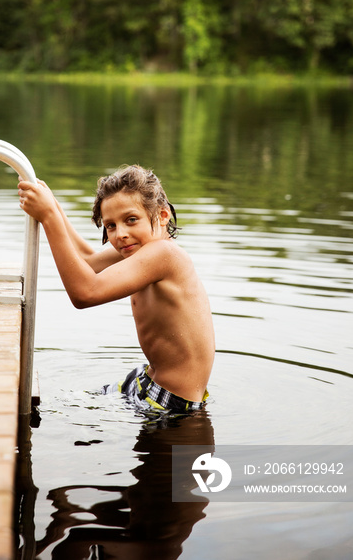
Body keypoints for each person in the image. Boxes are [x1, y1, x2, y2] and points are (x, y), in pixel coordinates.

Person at [18, 165, 215, 414]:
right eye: (110, 226)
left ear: (162, 216)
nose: (121, 234)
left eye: (131, 220)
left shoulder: (165, 254)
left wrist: (48, 216)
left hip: (174, 403)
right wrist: (54, 205)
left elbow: (85, 293)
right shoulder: (140, 247)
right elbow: (88, 260)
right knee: (58, 407)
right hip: (145, 380)